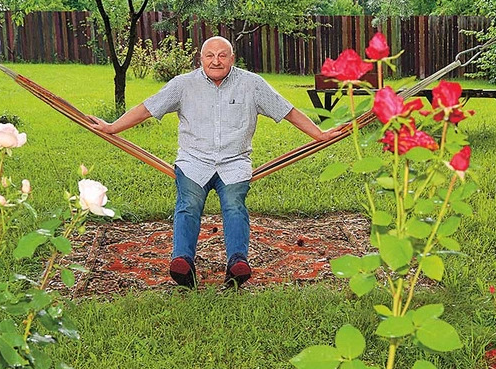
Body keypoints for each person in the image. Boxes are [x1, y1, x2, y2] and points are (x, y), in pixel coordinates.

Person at [87, 36, 341, 288]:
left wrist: (319, 135)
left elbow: (288, 111)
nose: (216, 61)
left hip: (234, 163)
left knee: (234, 205)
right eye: (210, 55)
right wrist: (112, 127)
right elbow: (147, 108)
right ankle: (182, 262)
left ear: (232, 58)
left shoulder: (252, 85)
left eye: (222, 55)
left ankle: (237, 263)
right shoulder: (183, 85)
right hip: (193, 161)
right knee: (188, 204)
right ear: (201, 59)